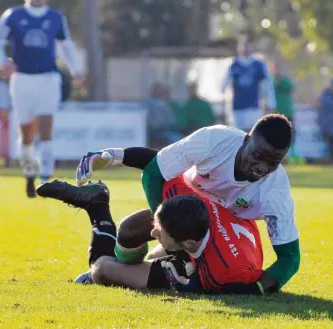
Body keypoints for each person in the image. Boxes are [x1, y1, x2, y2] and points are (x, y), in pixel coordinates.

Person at [75, 113, 300, 294]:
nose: (262, 167)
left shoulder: (275, 191)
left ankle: (117, 267)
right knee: (129, 230)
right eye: (258, 155)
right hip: (184, 202)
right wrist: (166, 226)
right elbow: (155, 170)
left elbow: (290, 257)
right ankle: (118, 262)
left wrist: (257, 288)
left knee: (170, 266)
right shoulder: (215, 140)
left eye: (273, 163)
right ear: (245, 139)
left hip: (224, 230)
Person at [36, 177, 266, 294]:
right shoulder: (185, 194)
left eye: (160, 232)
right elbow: (155, 163)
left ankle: (97, 207)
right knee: (128, 231)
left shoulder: (216, 273)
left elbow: (252, 283)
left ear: (186, 245)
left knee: (103, 270)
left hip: (202, 261)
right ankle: (97, 201)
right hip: (206, 242)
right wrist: (117, 156)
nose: (153, 232)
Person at [0, 0, 83, 197]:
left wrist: (76, 70)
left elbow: (66, 45)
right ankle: (29, 171)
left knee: (46, 127)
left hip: (48, 78)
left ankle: (46, 179)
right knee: (26, 131)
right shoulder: (13, 15)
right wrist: (2, 63)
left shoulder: (55, 18)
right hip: (22, 79)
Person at [222, 36, 276, 132]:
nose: (245, 48)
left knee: (252, 133)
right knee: (239, 134)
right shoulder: (234, 65)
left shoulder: (258, 65)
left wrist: (270, 103)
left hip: (253, 106)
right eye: (243, 46)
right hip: (237, 107)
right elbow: (224, 84)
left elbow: (267, 86)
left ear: (252, 47)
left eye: (248, 46)